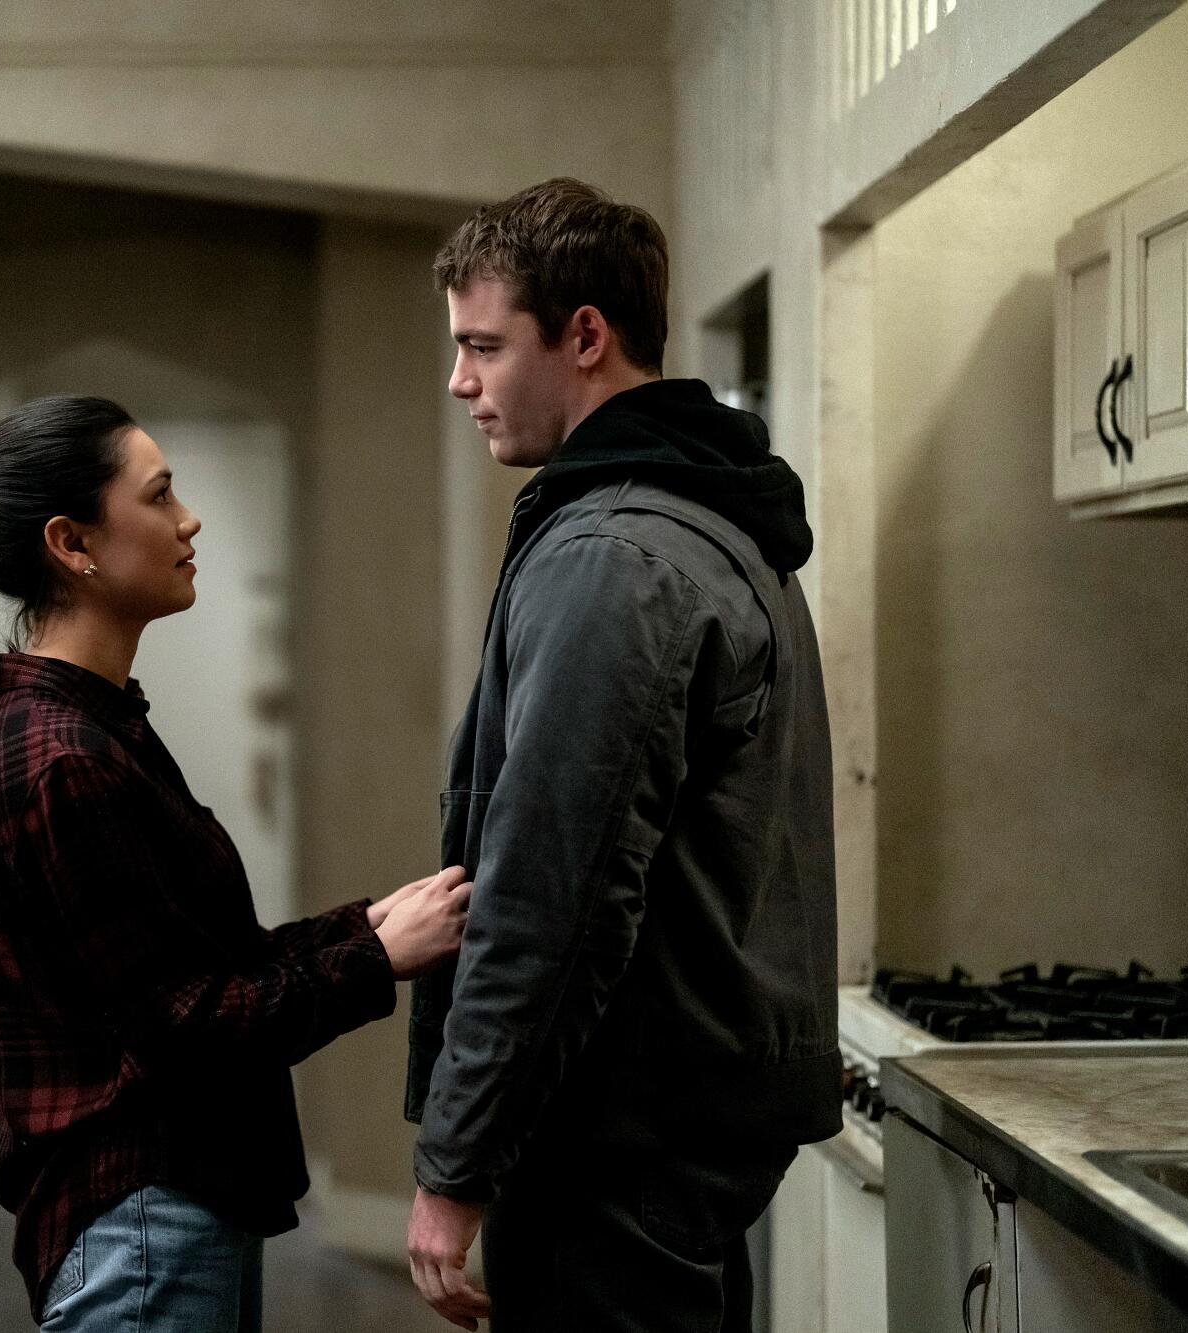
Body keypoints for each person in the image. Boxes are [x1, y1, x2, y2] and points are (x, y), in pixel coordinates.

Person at [0, 394, 472, 1332]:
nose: (186, 519)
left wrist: (362, 926)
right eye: (159, 496)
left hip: (166, 1216)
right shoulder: (63, 759)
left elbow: (191, 964)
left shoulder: (96, 725)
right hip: (142, 1229)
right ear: (72, 544)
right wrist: (376, 959)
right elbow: (189, 1026)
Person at [403, 179, 842, 1333]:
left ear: (584, 335)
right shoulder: (704, 517)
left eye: (482, 346)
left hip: (617, 1132)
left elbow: (555, 892)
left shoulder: (614, 557)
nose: (460, 381)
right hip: (675, 1120)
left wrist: (455, 1162)